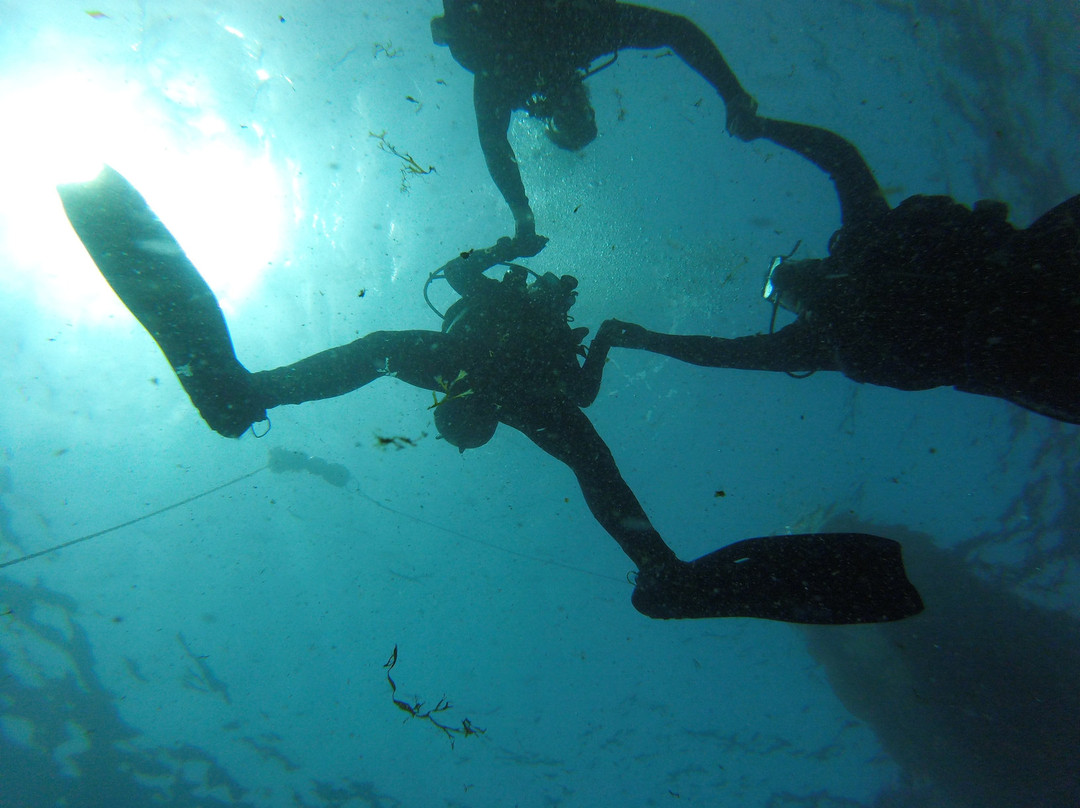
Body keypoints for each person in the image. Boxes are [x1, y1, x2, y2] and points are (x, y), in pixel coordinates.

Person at [57, 165, 923, 625]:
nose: (566, 299)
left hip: (496, 385)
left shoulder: (547, 345)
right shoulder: (510, 313)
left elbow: (575, 402)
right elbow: (466, 280)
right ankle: (658, 568)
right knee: (424, 368)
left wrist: (611, 339)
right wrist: (515, 247)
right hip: (485, 378)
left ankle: (247, 394)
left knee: (425, 370)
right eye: (564, 297)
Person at [595, 116, 1080, 424]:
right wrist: (760, 126)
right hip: (1030, 316)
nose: (784, 282)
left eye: (779, 276)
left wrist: (649, 340)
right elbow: (839, 157)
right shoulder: (826, 324)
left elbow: (723, 354)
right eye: (777, 291)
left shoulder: (829, 316)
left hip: (1027, 333)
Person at [430, 0, 760, 255]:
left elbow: (494, 144)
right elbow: (676, 30)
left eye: (564, 119)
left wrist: (523, 217)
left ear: (549, 116)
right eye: (580, 115)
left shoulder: (501, 77)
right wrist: (733, 95)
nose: (568, 107)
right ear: (585, 101)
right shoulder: (585, 30)